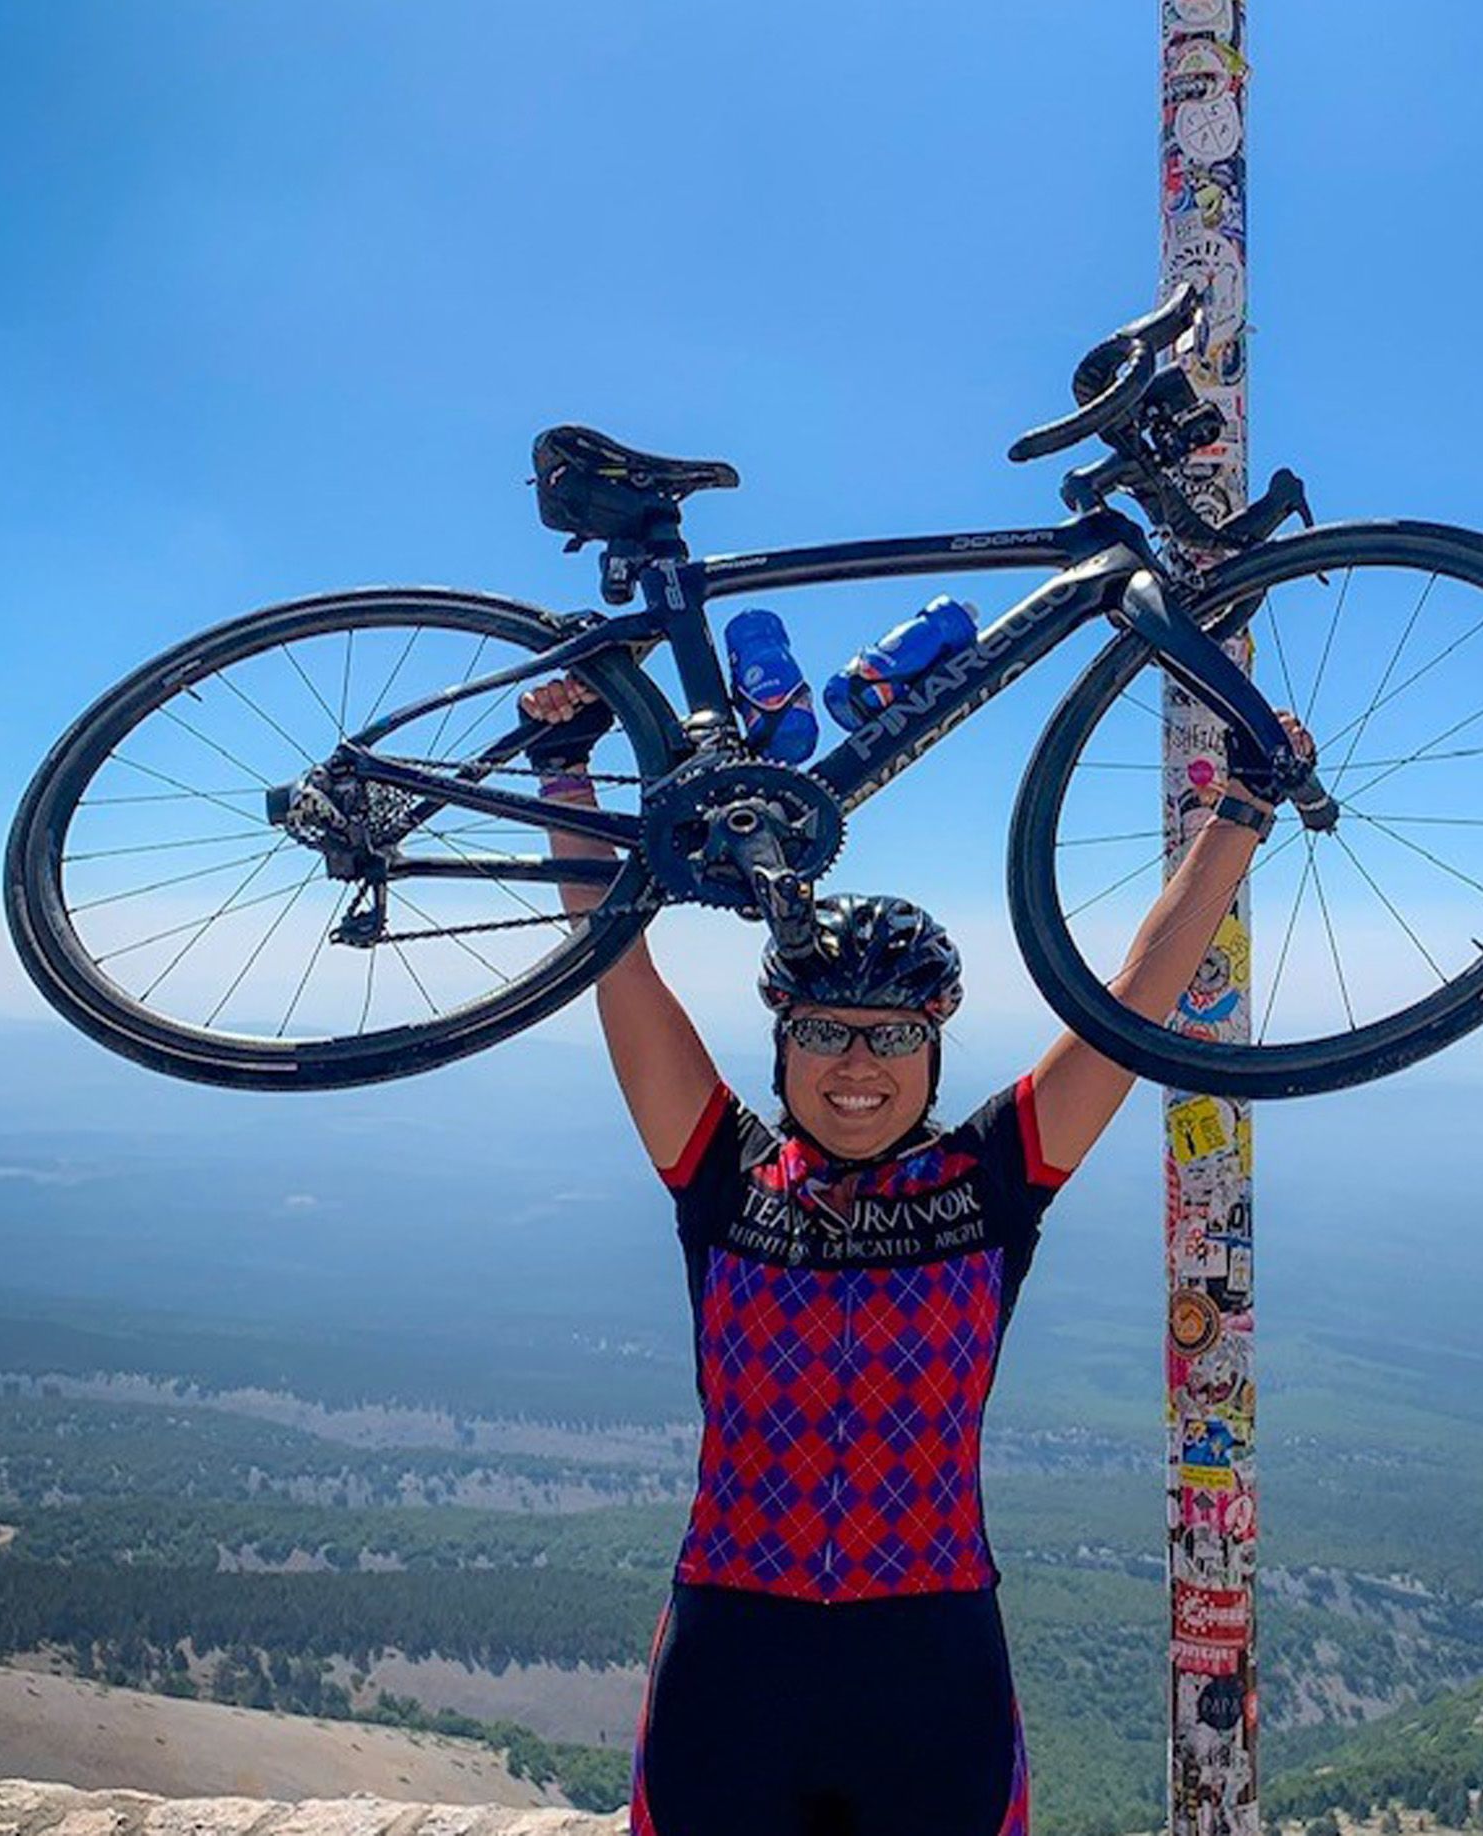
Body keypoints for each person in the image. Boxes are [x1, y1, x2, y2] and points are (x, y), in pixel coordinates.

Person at [517, 674, 1307, 1836]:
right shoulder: (724, 1173)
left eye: (894, 1034)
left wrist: (1241, 810)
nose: (857, 1062)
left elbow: (1132, 995)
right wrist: (564, 771)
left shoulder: (987, 1182)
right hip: (732, 1656)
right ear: (782, 1049)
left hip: (929, 1659)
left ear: (933, 1055)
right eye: (824, 1030)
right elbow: (616, 962)